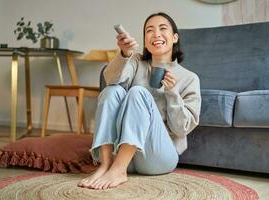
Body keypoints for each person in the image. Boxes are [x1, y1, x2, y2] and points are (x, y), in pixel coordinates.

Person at [78, 12, 201, 190]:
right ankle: (106, 165)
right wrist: (124, 54)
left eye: (163, 28)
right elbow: (110, 80)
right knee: (112, 91)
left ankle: (118, 170)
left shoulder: (189, 78)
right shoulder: (136, 62)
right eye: (149, 30)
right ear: (145, 41)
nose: (156, 34)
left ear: (175, 37)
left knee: (137, 92)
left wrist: (172, 93)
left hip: (158, 158)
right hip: (124, 155)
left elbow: (181, 129)